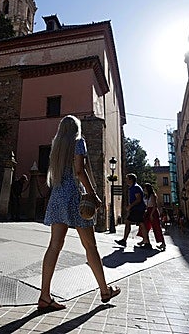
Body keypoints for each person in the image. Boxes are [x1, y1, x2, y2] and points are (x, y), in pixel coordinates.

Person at [39, 115, 120, 312]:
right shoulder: (78, 141)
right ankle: (104, 290)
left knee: (54, 246)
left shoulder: (56, 145)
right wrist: (94, 195)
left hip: (57, 196)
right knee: (90, 246)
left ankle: (44, 296)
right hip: (75, 197)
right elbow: (80, 170)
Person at [114, 173, 147, 247]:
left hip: (138, 209)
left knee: (132, 222)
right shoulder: (133, 187)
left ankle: (125, 240)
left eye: (127, 178)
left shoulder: (135, 187)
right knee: (139, 223)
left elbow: (138, 199)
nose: (126, 180)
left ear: (131, 180)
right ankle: (146, 242)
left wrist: (130, 206)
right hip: (137, 208)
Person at [137, 183, 165, 250]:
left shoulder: (152, 195)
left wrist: (152, 214)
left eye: (145, 188)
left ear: (148, 188)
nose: (144, 189)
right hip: (148, 211)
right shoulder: (146, 196)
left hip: (153, 212)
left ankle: (163, 243)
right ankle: (145, 240)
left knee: (157, 227)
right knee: (144, 226)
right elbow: (146, 205)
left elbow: (155, 206)